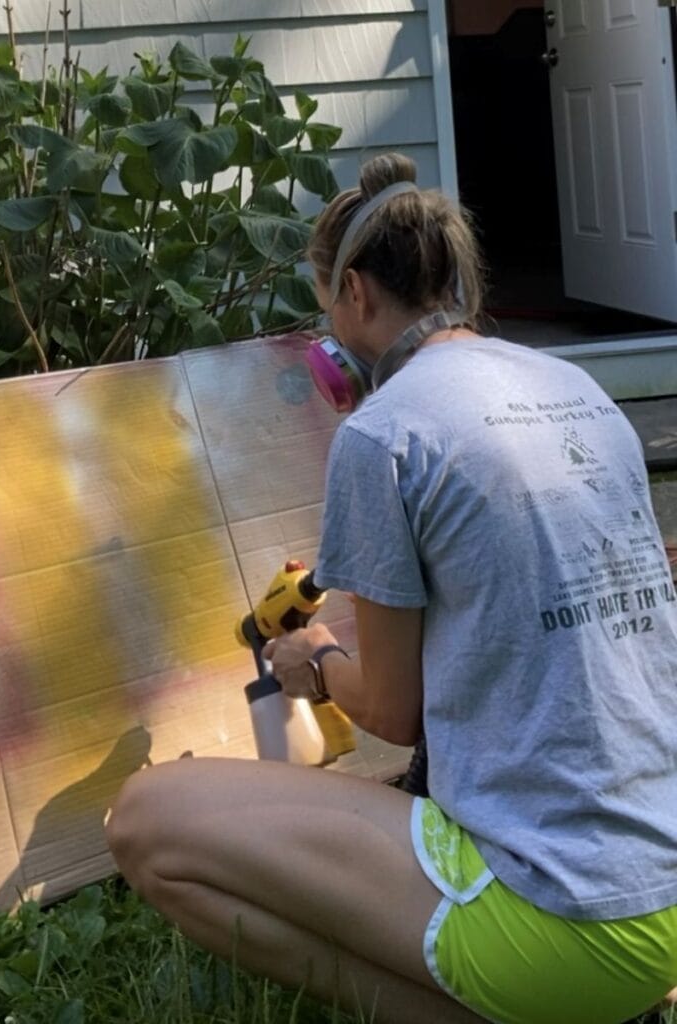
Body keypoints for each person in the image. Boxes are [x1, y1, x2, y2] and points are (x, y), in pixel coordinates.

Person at [106, 153, 677, 1024]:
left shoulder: (384, 431)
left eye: (325, 303)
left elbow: (394, 714)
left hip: (566, 922)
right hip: (664, 883)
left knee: (146, 823)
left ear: (359, 297)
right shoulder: (577, 388)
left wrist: (318, 657)